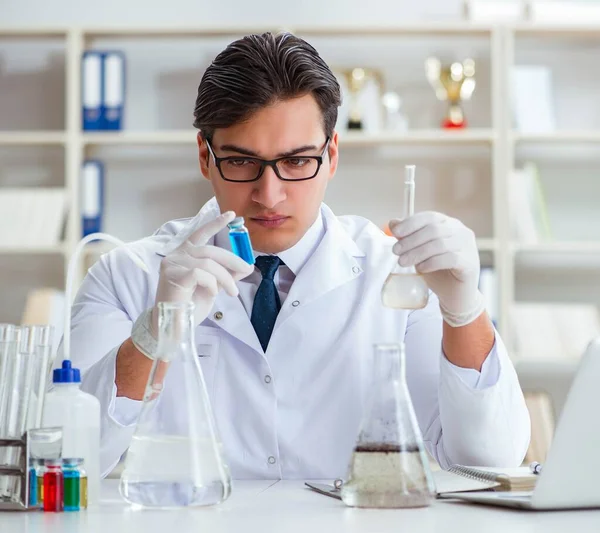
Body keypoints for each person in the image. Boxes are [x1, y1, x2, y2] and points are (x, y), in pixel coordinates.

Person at [63, 32, 530, 479]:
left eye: (296, 161)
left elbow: (486, 462)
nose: (270, 195)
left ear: (331, 156)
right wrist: (155, 334)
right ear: (205, 157)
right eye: (242, 161)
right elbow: (69, 460)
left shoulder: (397, 275)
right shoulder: (126, 276)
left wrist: (465, 310)